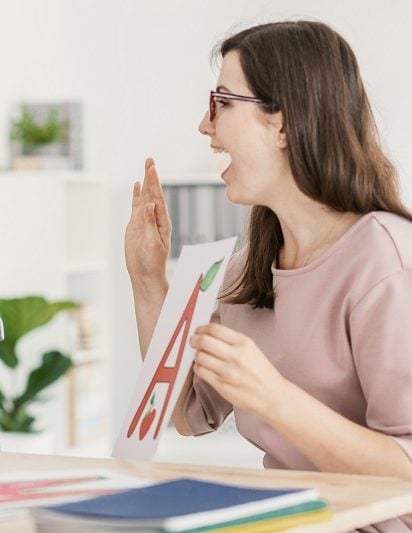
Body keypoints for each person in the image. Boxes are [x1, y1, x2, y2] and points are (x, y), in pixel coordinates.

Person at [126, 20, 412, 528]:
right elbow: (185, 413)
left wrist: (276, 399)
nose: (205, 125)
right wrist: (149, 281)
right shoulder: (252, 264)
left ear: (282, 123)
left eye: (223, 102)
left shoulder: (386, 262)